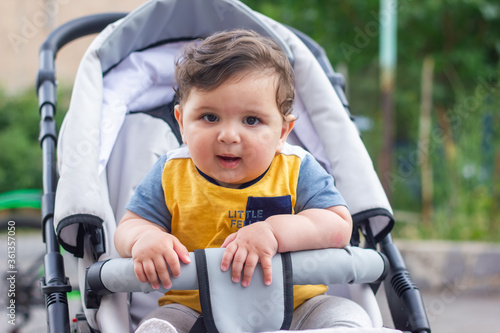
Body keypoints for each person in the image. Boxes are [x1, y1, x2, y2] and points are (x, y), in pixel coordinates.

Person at [114, 29, 372, 332]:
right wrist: (145, 238)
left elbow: (337, 226)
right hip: (195, 311)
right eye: (209, 117)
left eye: (251, 120)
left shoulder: (296, 168)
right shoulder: (171, 172)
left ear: (282, 133)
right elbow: (127, 227)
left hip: (298, 309)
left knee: (348, 318)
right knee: (158, 326)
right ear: (182, 123)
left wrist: (274, 232)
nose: (228, 136)